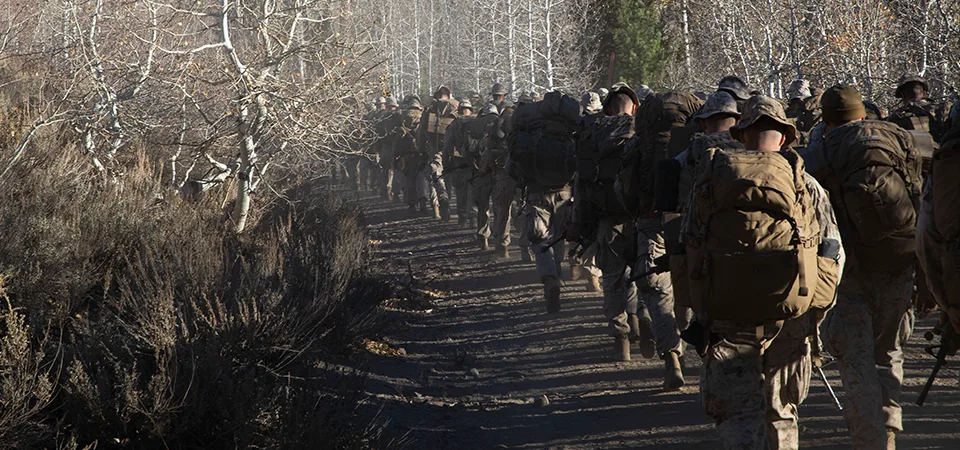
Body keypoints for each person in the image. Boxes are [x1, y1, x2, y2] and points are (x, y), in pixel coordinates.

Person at [683, 95, 843, 449]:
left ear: (740, 135)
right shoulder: (806, 186)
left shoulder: (709, 182)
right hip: (790, 315)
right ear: (784, 137)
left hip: (727, 315)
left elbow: (689, 246)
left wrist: (700, 310)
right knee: (782, 411)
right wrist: (812, 314)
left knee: (738, 416)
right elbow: (832, 252)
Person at [812, 85, 923, 449]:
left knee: (855, 360)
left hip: (849, 273)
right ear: (863, 112)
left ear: (827, 118)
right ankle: (889, 427)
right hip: (897, 260)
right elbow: (918, 193)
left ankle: (869, 439)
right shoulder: (898, 137)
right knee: (889, 350)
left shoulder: (821, 150)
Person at [573, 84, 655, 361]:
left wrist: (581, 226)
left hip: (609, 220)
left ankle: (621, 339)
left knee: (612, 279)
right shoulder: (646, 131)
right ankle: (644, 314)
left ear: (608, 108)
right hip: (643, 218)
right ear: (635, 107)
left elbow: (582, 182)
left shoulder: (594, 132)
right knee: (645, 274)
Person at [416, 86, 460, 220]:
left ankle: (439, 203)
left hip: (436, 149)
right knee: (450, 177)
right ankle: (447, 201)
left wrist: (422, 150)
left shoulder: (431, 109)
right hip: (454, 149)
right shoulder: (457, 107)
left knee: (435, 176)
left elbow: (421, 132)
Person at [441, 100, 480, 228]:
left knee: (460, 191)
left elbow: (446, 147)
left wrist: (446, 165)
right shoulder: (477, 123)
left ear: (458, 111)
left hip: (458, 163)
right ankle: (473, 216)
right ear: (471, 109)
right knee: (473, 190)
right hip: (474, 164)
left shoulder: (454, 125)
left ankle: (462, 217)